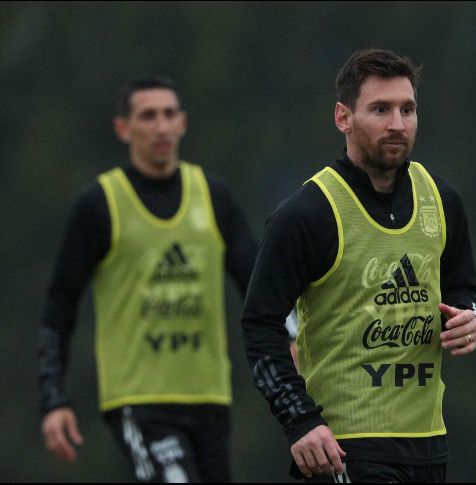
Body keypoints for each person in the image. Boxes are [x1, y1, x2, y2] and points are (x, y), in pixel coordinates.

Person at [241, 48, 476, 483]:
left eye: (407, 109)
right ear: (343, 117)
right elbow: (259, 325)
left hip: (429, 443)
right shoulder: (307, 213)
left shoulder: (442, 199)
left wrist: (471, 322)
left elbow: (461, 290)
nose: (398, 124)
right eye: (380, 109)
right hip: (344, 447)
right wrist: (301, 421)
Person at [38, 76, 296, 483]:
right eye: (147, 116)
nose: (160, 126)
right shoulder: (99, 205)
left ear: (183, 123)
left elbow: (257, 282)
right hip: (139, 400)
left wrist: (294, 336)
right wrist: (53, 398)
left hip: (208, 395)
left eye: (169, 114)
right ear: (124, 128)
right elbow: (59, 306)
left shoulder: (213, 196)